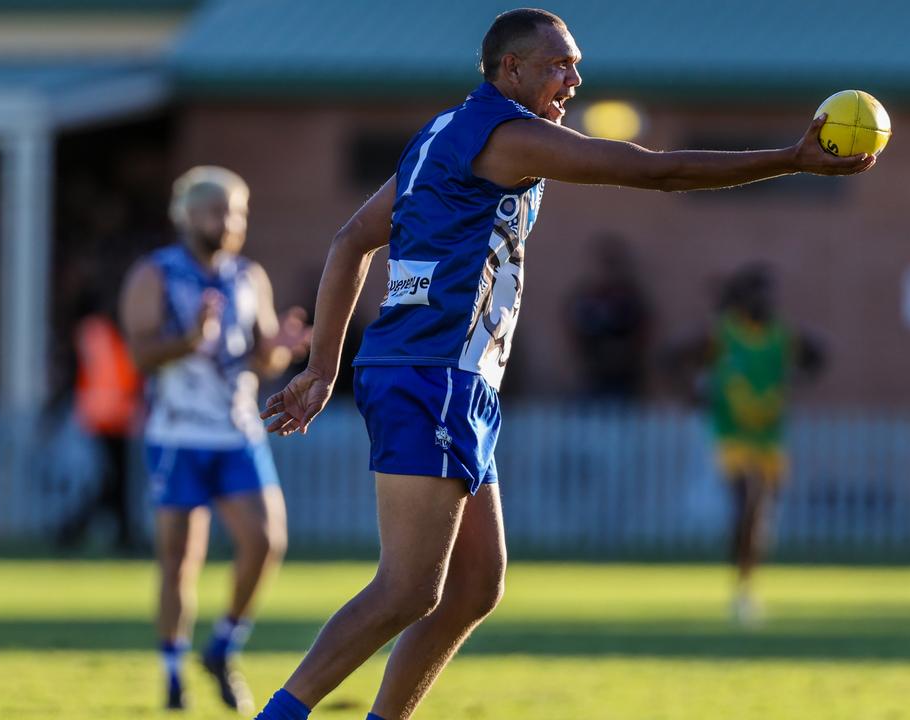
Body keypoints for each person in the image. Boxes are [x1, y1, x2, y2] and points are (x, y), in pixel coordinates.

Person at [255, 8, 873, 720]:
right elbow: (661, 173)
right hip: (434, 374)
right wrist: (791, 160)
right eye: (558, 64)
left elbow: (349, 240)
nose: (574, 78)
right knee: (408, 590)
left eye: (575, 64)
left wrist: (328, 366)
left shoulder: (441, 134)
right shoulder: (510, 137)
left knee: (476, 586)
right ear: (509, 70)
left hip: (436, 372)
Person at [120, 166, 311, 712]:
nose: (228, 223)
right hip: (177, 435)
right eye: (217, 211)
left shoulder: (248, 276)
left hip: (235, 431)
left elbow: (259, 356)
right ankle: (173, 670)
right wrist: (188, 339)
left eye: (238, 213)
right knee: (180, 559)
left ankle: (224, 645)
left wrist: (281, 347)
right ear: (186, 216)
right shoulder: (154, 274)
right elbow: (138, 355)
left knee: (267, 539)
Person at [664, 264, 826, 626]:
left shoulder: (783, 334)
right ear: (744, 298)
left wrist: (794, 381)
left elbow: (820, 354)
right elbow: (671, 355)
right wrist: (692, 392)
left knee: (760, 515)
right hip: (731, 433)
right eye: (759, 293)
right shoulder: (723, 332)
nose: (767, 301)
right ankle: (742, 586)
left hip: (769, 437)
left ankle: (744, 585)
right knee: (748, 499)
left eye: (770, 293)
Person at [58, 292, 142, 552]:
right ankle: (76, 530)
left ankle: (120, 533)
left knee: (115, 482)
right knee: (109, 482)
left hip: (118, 419)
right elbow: (79, 370)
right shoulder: (96, 331)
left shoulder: (114, 334)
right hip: (100, 419)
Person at [566, 234, 654, 399]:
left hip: (624, 377)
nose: (607, 270)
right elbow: (574, 330)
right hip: (593, 374)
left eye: (613, 263)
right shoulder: (587, 299)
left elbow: (643, 330)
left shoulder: (629, 298)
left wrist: (623, 353)